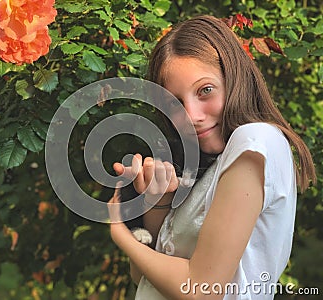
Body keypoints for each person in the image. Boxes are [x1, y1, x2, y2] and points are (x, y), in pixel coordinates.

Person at [108, 15, 316, 299]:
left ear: (234, 79)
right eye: (176, 102)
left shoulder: (254, 142)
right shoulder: (210, 163)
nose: (192, 116)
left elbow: (202, 290)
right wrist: (158, 201)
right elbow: (143, 275)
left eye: (205, 91)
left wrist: (119, 231)